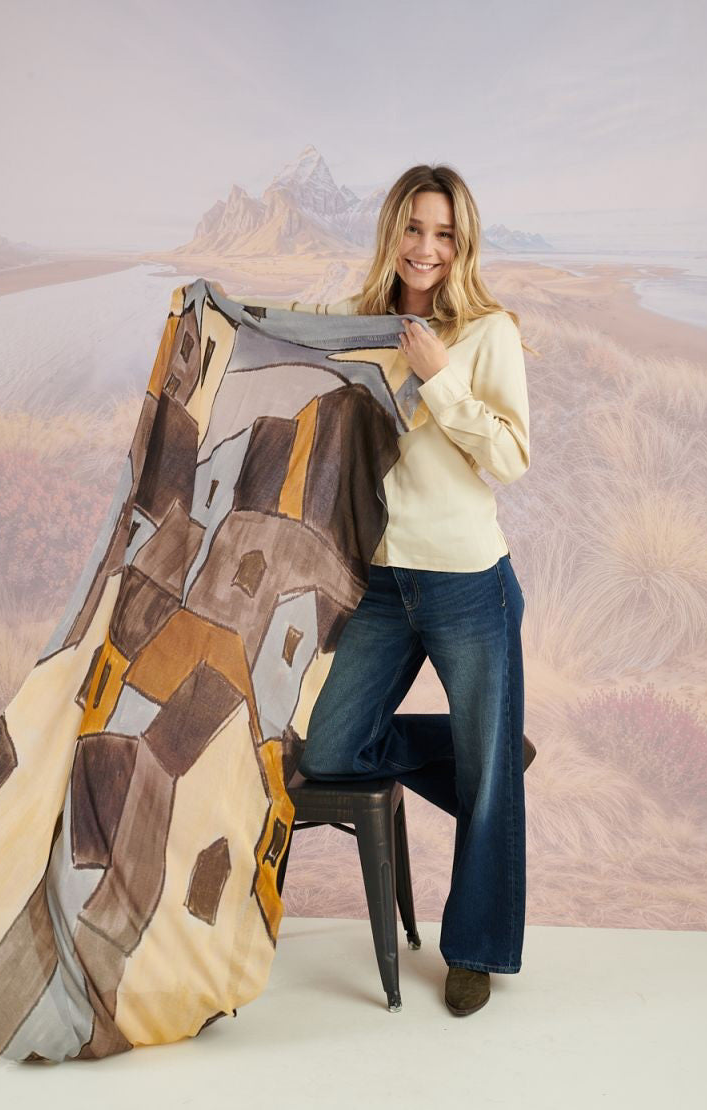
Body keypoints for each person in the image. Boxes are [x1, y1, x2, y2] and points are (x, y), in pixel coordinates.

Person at [231, 163, 533, 1018]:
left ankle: (474, 948)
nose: (427, 248)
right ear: (392, 233)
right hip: (383, 579)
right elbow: (290, 339)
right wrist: (221, 312)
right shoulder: (368, 323)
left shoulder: (487, 332)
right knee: (329, 748)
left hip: (470, 580)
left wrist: (439, 376)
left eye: (443, 233)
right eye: (413, 229)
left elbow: (509, 456)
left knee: (483, 771)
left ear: (461, 241)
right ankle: (493, 753)